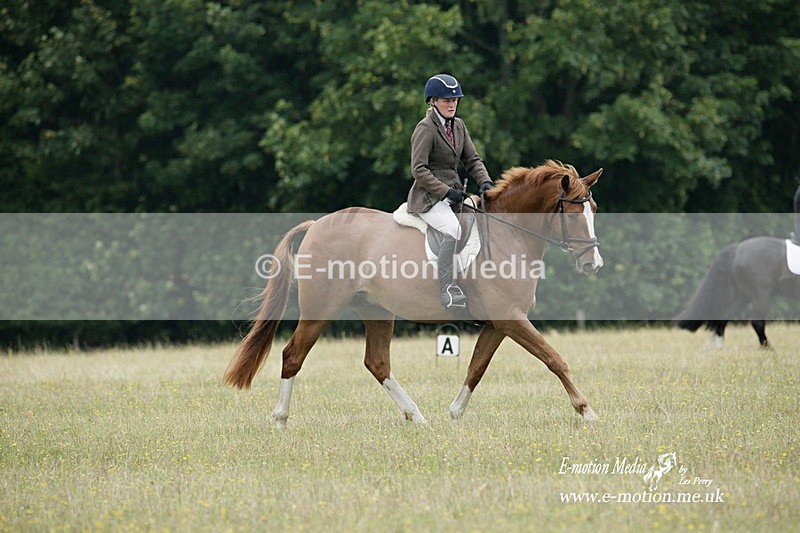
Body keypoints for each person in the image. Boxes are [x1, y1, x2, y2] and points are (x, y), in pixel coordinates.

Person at [406, 74, 494, 309]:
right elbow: (419, 170)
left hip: (454, 194)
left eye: (455, 100)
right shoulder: (425, 129)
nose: (452, 104)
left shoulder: (458, 125)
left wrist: (486, 182)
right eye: (447, 100)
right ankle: (446, 288)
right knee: (453, 229)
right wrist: (445, 192)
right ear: (433, 101)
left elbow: (472, 159)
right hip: (428, 198)